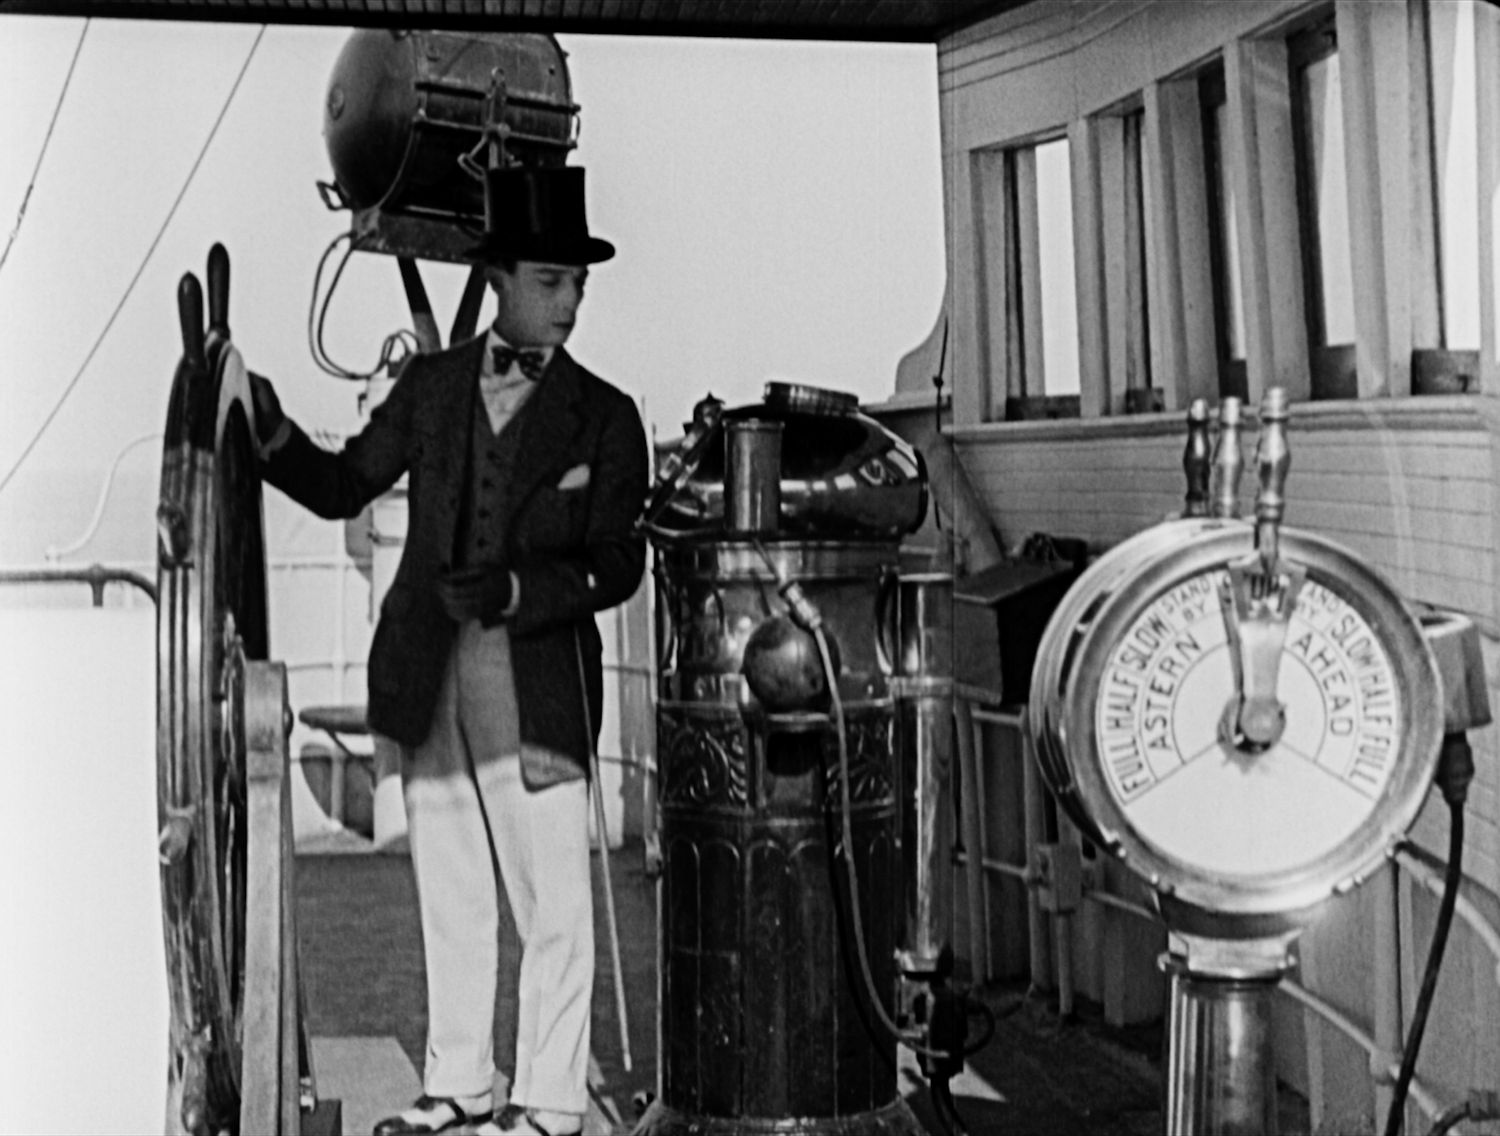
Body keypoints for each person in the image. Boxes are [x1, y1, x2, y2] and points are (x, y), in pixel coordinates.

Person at [251, 165, 648, 1136]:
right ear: (498, 278)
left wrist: (517, 590)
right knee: (453, 887)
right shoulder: (429, 388)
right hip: (428, 667)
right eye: (550, 280)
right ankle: (460, 1082)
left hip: (537, 679)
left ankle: (549, 1100)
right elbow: (344, 484)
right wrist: (270, 433)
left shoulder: (607, 415)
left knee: (552, 902)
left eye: (577, 283)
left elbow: (619, 562)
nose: (569, 301)